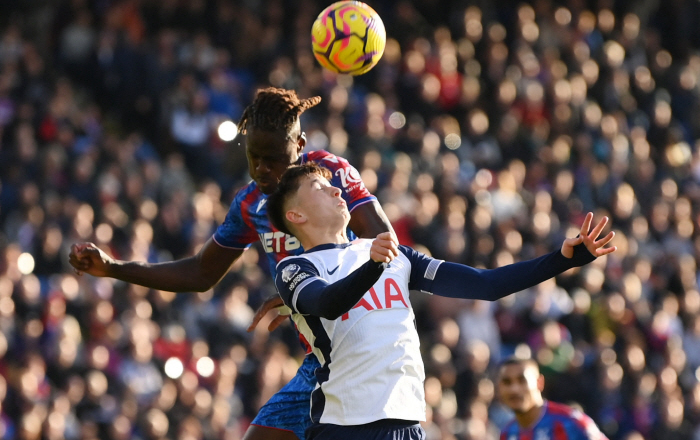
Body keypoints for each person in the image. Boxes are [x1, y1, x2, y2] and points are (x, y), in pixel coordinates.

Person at [68, 88, 394, 440]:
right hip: (322, 361)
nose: (263, 170)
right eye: (254, 158)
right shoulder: (251, 204)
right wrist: (113, 268)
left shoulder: (331, 176)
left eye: (274, 159)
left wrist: (316, 292)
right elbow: (200, 273)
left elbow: (388, 249)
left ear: (299, 146)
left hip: (363, 348)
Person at [265, 163, 616, 440]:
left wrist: (563, 260)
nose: (334, 189)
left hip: (407, 422)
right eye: (318, 188)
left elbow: (485, 284)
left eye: (331, 184)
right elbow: (327, 303)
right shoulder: (297, 267)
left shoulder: (395, 255)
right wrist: (373, 266)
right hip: (343, 425)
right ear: (296, 216)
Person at [497, 356, 609, 440]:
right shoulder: (507, 433)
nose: (514, 389)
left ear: (539, 383)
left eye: (522, 381)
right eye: (507, 382)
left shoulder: (571, 423)